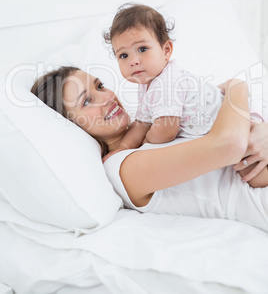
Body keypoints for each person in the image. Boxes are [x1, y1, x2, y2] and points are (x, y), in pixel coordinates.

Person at [31, 66, 268, 233]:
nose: (106, 98)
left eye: (100, 86)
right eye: (87, 101)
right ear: (72, 126)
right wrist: (239, 85)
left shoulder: (159, 121)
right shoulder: (121, 168)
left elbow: (215, 102)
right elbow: (229, 144)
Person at [103, 4, 268, 165]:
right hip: (227, 131)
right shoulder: (147, 84)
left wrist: (143, 146)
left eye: (142, 49)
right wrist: (123, 148)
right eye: (124, 55)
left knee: (251, 171)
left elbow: (166, 131)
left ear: (166, 50)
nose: (133, 61)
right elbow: (141, 123)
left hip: (240, 124)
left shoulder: (166, 83)